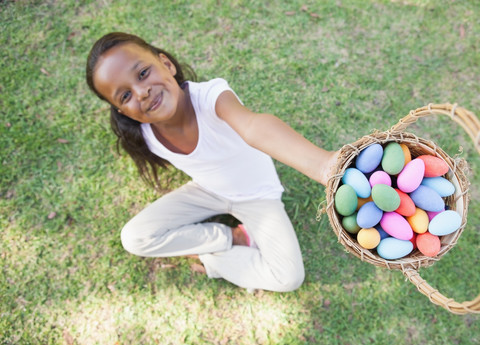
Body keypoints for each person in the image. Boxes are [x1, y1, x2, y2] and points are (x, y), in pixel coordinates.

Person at [86, 32, 338, 292]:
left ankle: (211, 259)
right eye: (125, 97)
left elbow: (253, 127)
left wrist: (323, 165)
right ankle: (234, 237)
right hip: (208, 191)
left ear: (166, 64)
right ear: (122, 111)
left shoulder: (211, 97)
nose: (142, 92)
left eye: (142, 74)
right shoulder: (146, 135)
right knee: (134, 238)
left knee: (288, 278)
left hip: (258, 197)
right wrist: (228, 237)